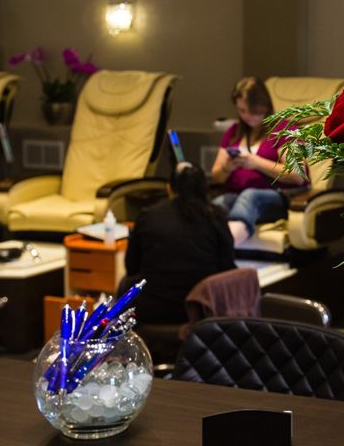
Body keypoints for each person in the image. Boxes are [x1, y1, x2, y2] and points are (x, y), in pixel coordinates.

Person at [123, 162, 236, 324]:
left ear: (170, 188)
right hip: (201, 311)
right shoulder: (216, 216)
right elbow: (227, 267)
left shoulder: (148, 216)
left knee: (125, 286)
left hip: (152, 309)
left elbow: (132, 267)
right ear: (205, 189)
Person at [211, 76, 307, 245]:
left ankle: (227, 247)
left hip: (275, 199)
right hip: (236, 195)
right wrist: (228, 167)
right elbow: (217, 176)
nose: (247, 117)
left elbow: (297, 175)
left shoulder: (284, 130)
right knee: (217, 204)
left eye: (253, 111)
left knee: (250, 196)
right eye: (242, 111)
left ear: (265, 106)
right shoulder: (234, 133)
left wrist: (255, 162)